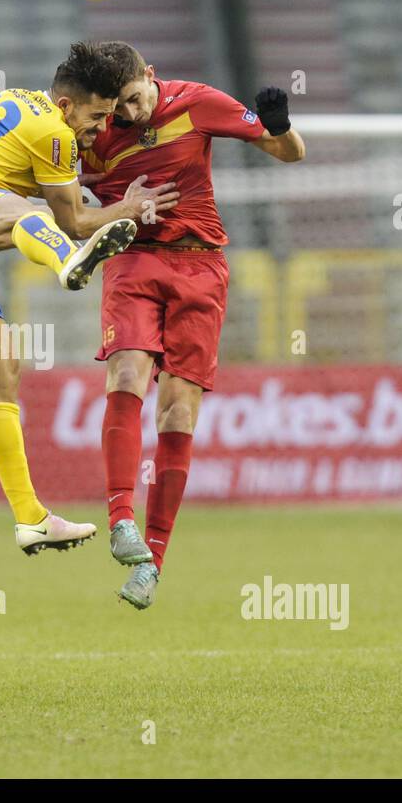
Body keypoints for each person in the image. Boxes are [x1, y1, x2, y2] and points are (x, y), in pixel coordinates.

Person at [85, 42, 305, 609]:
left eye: (133, 100)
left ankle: (152, 563)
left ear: (150, 77)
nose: (127, 117)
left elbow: (290, 154)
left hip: (201, 266)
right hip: (134, 259)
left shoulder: (196, 103)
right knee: (127, 374)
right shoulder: (93, 132)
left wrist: (281, 124)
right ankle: (119, 520)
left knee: (178, 409)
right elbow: (55, 194)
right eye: (115, 109)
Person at [0, 41, 179, 555]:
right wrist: (129, 206)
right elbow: (74, 219)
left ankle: (30, 519)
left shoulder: (14, 101)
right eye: (97, 116)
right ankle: (67, 262)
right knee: (42, 221)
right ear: (68, 105)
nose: (100, 129)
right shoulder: (56, 134)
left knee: (0, 367)